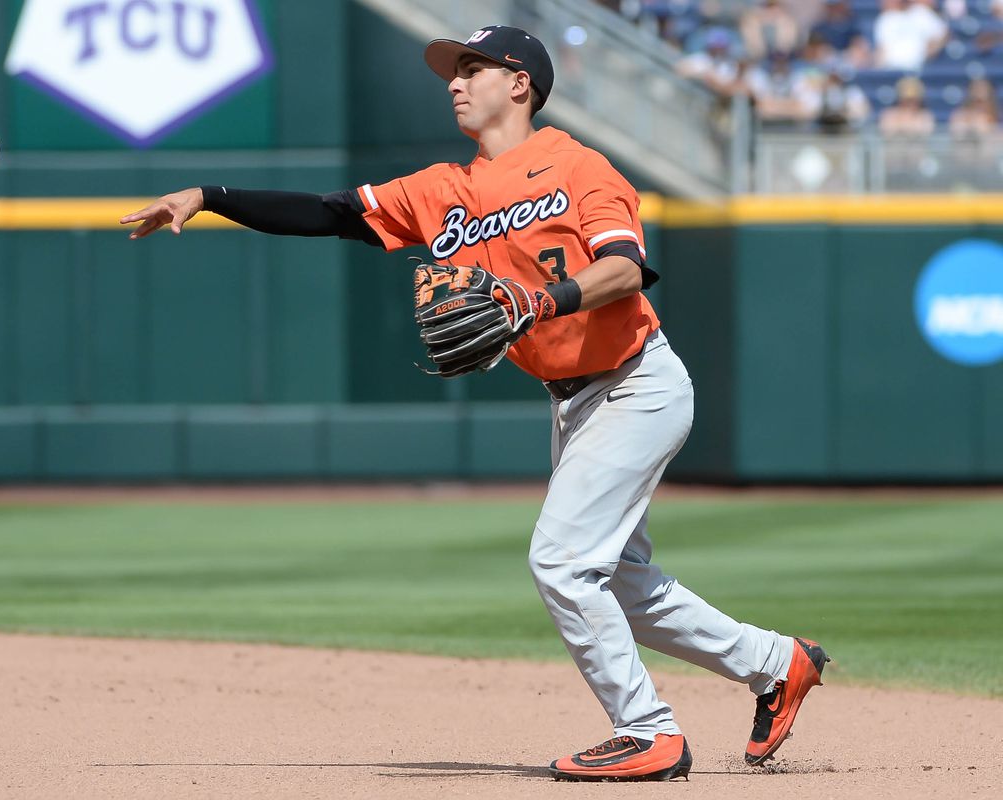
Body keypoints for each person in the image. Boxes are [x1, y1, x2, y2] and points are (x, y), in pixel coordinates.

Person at [120, 25, 829, 783]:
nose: (453, 82)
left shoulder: (577, 166)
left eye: (471, 68)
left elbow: (624, 270)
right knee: (615, 578)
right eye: (451, 72)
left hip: (636, 384)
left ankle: (648, 730)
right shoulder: (441, 192)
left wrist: (538, 299)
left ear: (519, 83)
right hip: (576, 403)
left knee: (561, 561)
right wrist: (211, 196)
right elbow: (330, 212)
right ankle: (774, 663)